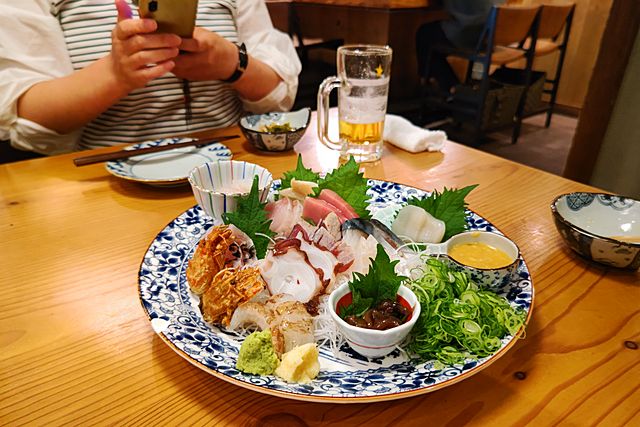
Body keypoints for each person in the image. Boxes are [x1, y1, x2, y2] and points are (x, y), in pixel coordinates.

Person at [0, 0, 302, 156]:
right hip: (102, 182)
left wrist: (232, 63)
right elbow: (29, 116)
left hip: (232, 169)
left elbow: (278, 97)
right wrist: (115, 74)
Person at [416, 0, 505, 93]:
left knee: (425, 34)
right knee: (434, 42)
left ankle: (438, 84)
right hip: (487, 39)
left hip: (465, 35)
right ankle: (448, 86)